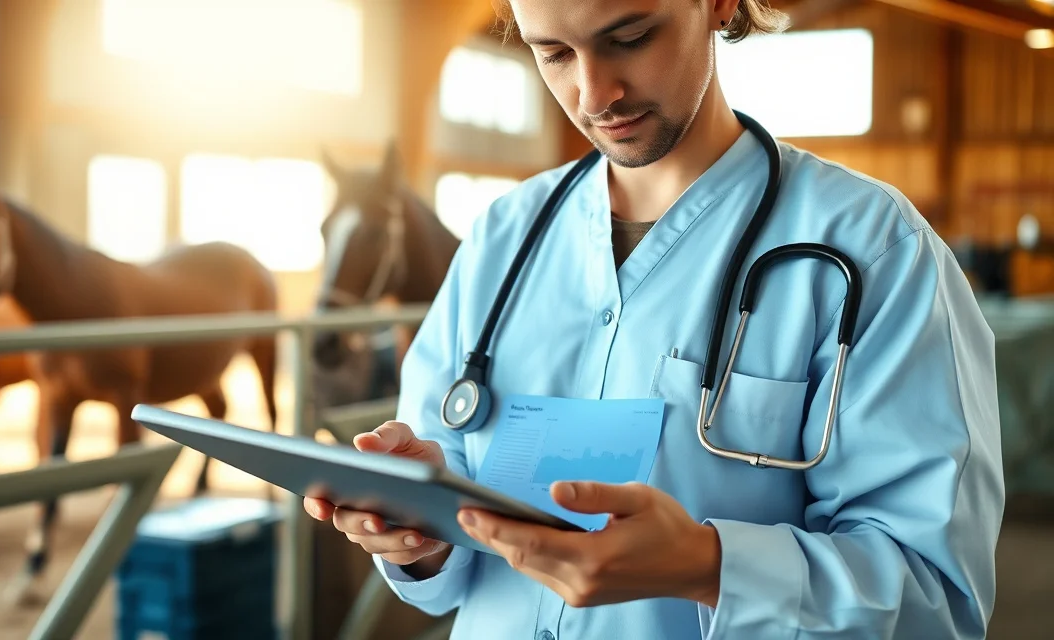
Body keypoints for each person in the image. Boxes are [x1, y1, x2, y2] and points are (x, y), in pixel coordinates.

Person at [304, 0, 1005, 637]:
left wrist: (708, 566)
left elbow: (934, 602)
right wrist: (422, 534)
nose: (592, 93)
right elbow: (448, 566)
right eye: (552, 53)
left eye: (630, 37)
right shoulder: (502, 239)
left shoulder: (875, 252)